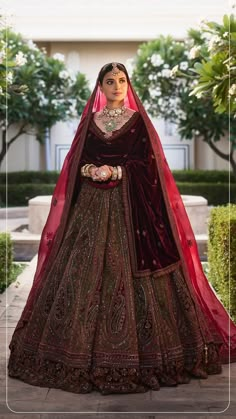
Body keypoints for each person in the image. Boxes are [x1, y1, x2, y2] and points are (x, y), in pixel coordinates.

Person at [8, 62, 236, 395]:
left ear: (128, 85)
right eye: (110, 81)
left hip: (132, 211)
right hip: (90, 207)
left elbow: (149, 166)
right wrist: (90, 170)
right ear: (99, 87)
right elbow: (75, 163)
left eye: (122, 80)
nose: (117, 86)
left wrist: (116, 173)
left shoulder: (138, 122)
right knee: (78, 273)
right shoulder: (90, 123)